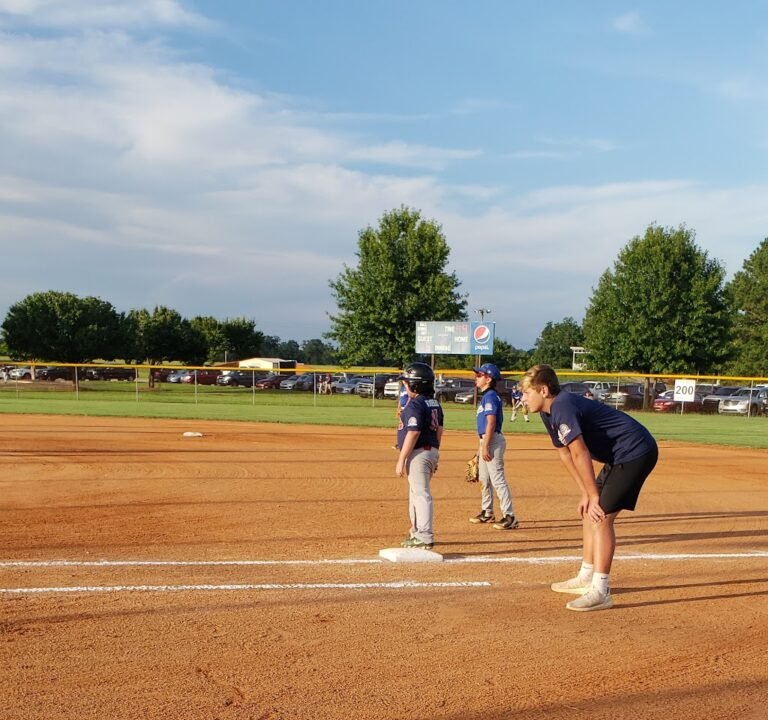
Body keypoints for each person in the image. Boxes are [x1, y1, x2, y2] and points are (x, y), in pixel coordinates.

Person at [521, 364, 658, 612]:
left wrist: (594, 496)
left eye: (526, 392)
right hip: (618, 456)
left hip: (635, 451)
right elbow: (565, 454)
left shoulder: (562, 406)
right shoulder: (547, 411)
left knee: (601, 517)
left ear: (543, 390)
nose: (522, 398)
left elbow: (580, 452)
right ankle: (586, 575)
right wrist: (586, 493)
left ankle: (601, 590)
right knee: (589, 511)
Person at [395, 362, 444, 550]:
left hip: (419, 453)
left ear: (415, 385)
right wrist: (435, 452)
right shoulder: (434, 403)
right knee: (415, 494)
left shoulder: (415, 404)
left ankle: (424, 534)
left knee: (420, 494)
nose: (404, 386)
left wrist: (401, 460)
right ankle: (417, 532)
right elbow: (439, 429)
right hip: (429, 451)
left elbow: (413, 432)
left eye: (406, 383)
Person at [468, 363, 519, 530]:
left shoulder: (490, 396)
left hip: (492, 441)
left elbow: (491, 423)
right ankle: (487, 511)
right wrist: (480, 448)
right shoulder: (487, 396)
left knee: (497, 479)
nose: (476, 377)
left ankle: (510, 516)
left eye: (479, 375)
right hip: (486, 441)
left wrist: (485, 446)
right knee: (484, 478)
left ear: (488, 379)